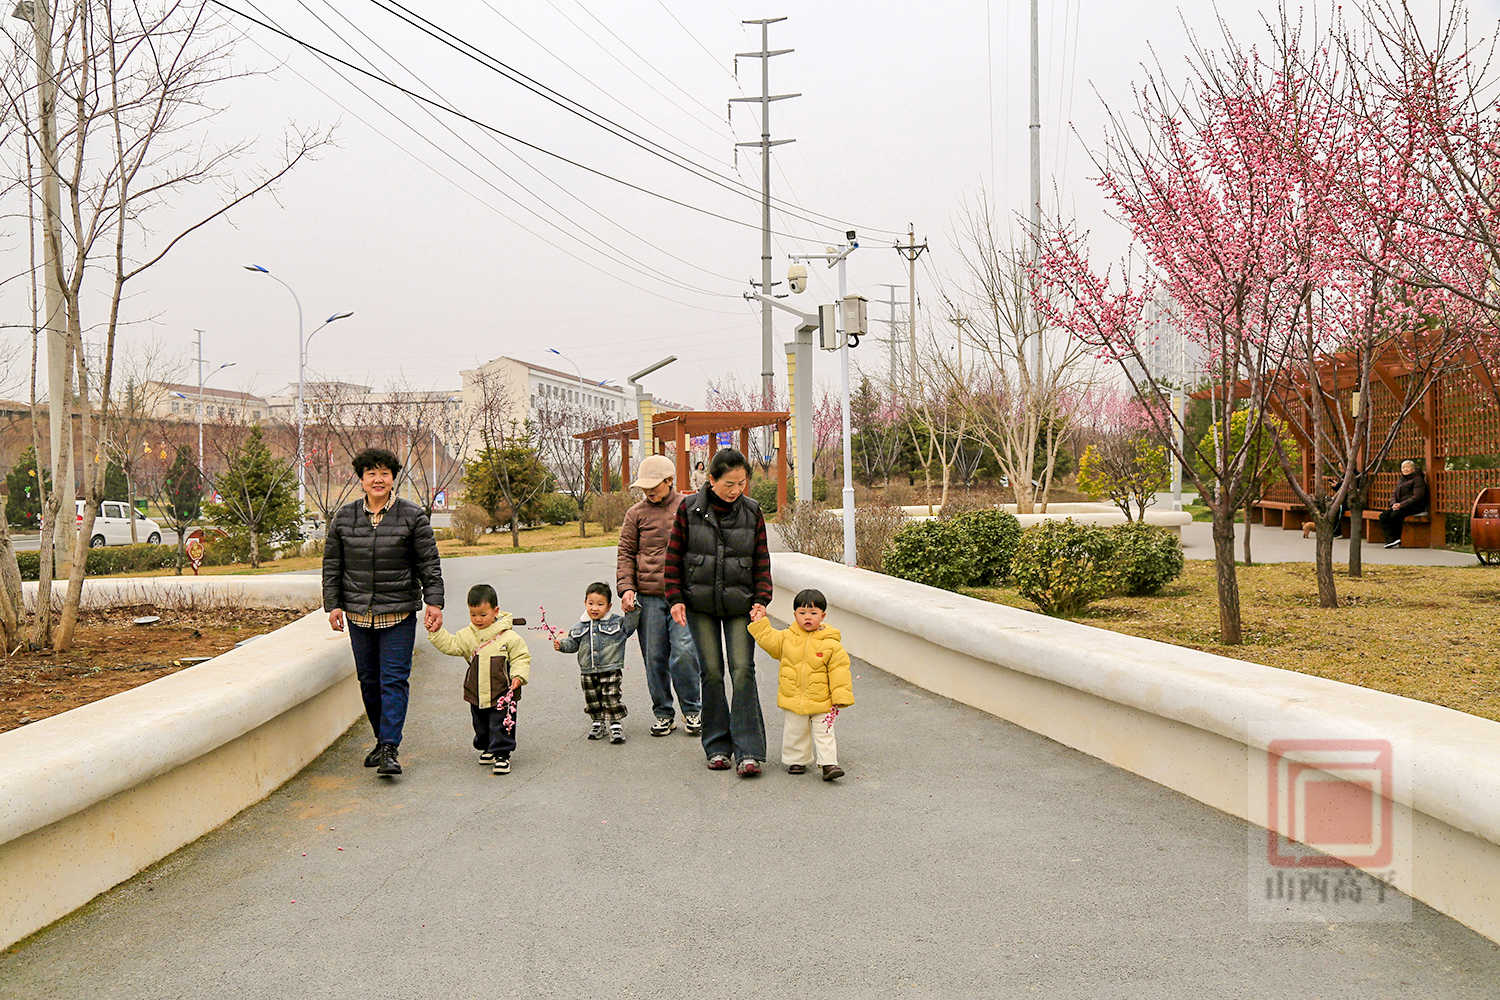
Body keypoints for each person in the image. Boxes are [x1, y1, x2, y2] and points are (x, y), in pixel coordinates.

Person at [323, 447, 444, 777]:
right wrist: (333, 604)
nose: (378, 479)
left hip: (398, 614)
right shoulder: (344, 518)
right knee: (369, 681)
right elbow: (332, 565)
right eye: (371, 473)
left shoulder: (412, 516)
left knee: (393, 680)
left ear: (393, 479)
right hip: (358, 615)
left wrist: (434, 602)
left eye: (385, 473)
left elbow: (429, 564)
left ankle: (390, 746)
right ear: (361, 479)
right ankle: (381, 739)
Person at [666, 447, 773, 777]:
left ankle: (749, 750)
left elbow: (762, 560)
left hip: (741, 604)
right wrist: (675, 598)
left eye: (742, 483)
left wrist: (762, 599)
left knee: (742, 670)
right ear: (711, 480)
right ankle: (717, 746)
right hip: (700, 605)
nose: (736, 490)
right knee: (711, 672)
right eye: (729, 483)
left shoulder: (752, 512)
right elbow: (674, 557)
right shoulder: (688, 509)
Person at [617, 454, 702, 738]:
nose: (648, 491)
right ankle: (663, 713)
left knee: (684, 653)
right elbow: (625, 553)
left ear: (669, 481)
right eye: (645, 487)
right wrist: (627, 588)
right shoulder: (635, 514)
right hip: (648, 596)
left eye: (653, 486)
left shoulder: (689, 507)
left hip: (683, 597)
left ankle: (692, 709)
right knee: (654, 657)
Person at [748, 588, 853, 782]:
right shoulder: (787, 637)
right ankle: (797, 760)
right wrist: (760, 623)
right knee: (795, 730)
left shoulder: (831, 644)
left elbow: (839, 671)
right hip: (794, 696)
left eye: (813, 613)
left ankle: (829, 763)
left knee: (824, 732)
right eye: (802, 613)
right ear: (795, 614)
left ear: (823, 616)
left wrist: (840, 697)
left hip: (823, 700)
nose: (807, 617)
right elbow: (769, 640)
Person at [426, 583, 532, 775]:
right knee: (481, 724)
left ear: (495, 611)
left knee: (501, 723)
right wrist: (436, 632)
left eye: (483, 614)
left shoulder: (509, 637)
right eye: (473, 614)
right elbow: (451, 645)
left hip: (502, 692)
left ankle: (502, 754)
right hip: (476, 691)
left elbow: (520, 657)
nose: (478, 619)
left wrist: (518, 676)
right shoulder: (468, 635)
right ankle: (487, 746)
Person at [555, 582, 641, 744]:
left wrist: (632, 608)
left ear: (609, 606)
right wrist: (562, 645)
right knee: (592, 699)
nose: (594, 608)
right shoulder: (579, 626)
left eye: (600, 604)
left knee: (611, 697)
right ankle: (598, 722)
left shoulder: (617, 623)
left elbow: (630, 626)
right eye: (591, 603)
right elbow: (573, 643)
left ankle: (615, 725)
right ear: (585, 603)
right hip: (587, 670)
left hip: (610, 668)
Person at [1380, 460, 1429, 549]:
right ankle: (1390, 539)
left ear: (1413, 469)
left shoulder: (1418, 479)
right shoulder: (1402, 479)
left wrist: (1401, 505)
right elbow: (1394, 494)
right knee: (1383, 516)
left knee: (1395, 515)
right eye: (1403, 467)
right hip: (1400, 506)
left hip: (1414, 506)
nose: (1405, 469)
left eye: (1407, 467)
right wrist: (1394, 503)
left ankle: (1396, 537)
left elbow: (1417, 496)